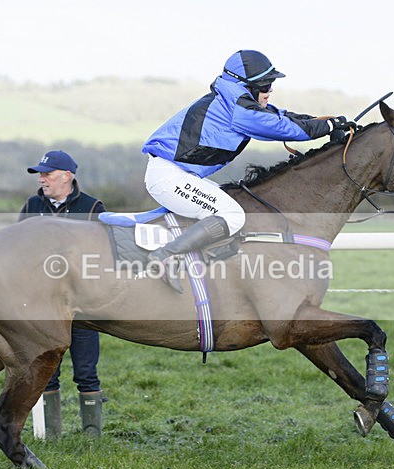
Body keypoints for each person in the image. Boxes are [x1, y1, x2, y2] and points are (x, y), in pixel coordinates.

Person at [142, 49, 353, 292]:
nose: (270, 91)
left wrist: (326, 122)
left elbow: (282, 115)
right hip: (168, 177)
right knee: (232, 215)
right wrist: (326, 126)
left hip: (177, 174)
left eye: (271, 84)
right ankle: (165, 256)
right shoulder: (238, 110)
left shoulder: (236, 101)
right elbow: (281, 127)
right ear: (248, 86)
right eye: (265, 85)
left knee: (231, 204)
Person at [19, 149, 105, 438]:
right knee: (46, 369)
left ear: (67, 176)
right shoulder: (32, 206)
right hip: (44, 306)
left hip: (82, 306)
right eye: (40, 174)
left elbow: (104, 256)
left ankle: (92, 438)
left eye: (48, 174)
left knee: (86, 370)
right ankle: (49, 436)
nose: (42, 179)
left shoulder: (94, 208)